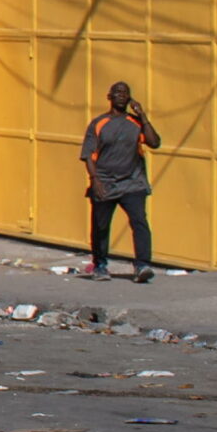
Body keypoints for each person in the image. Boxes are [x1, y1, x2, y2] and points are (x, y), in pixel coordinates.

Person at [78, 80, 160, 283]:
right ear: (110, 97)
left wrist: (142, 115)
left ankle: (142, 265)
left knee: (139, 221)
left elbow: (154, 142)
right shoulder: (99, 123)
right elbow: (88, 155)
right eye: (118, 92)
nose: (122, 95)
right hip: (105, 182)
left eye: (126, 93)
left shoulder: (136, 122)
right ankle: (100, 265)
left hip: (133, 182)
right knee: (101, 225)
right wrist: (95, 180)